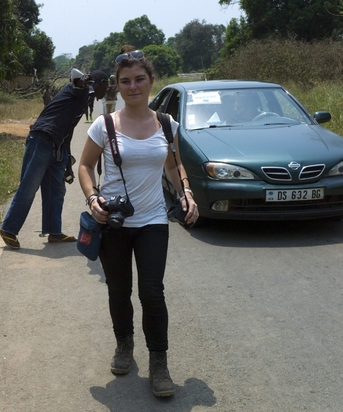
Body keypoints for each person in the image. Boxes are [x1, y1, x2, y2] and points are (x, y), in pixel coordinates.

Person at [78, 48, 198, 398]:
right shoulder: (105, 125)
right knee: (119, 290)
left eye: (139, 79)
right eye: (125, 81)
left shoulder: (165, 123)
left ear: (151, 82)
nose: (133, 87)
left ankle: (159, 363)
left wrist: (186, 193)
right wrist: (92, 198)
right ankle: (124, 345)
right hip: (113, 223)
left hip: (153, 221)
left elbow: (174, 166)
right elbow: (85, 167)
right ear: (117, 86)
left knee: (152, 292)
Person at [0, 68, 109, 249]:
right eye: (107, 86)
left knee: (56, 190)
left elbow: (68, 130)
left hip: (57, 146)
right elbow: (76, 85)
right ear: (100, 83)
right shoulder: (80, 90)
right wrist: (84, 80)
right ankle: (8, 229)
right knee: (29, 186)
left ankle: (54, 232)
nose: (107, 92)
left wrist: (67, 162)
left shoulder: (83, 100)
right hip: (41, 139)